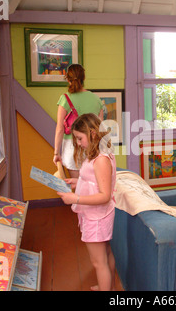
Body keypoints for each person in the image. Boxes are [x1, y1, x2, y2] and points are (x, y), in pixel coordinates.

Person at [57, 113, 116, 291]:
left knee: (98, 262)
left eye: (80, 138)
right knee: (104, 257)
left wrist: (75, 198)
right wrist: (77, 182)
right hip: (95, 214)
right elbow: (95, 181)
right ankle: (107, 286)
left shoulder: (101, 160)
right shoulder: (96, 154)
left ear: (92, 133)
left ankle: (107, 287)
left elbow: (105, 194)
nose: (79, 143)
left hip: (97, 216)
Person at [54, 64, 103, 178]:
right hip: (92, 146)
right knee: (93, 184)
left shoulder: (65, 98)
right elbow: (100, 129)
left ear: (68, 78)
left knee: (78, 187)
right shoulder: (96, 99)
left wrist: (56, 152)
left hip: (73, 146)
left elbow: (60, 128)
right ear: (83, 78)